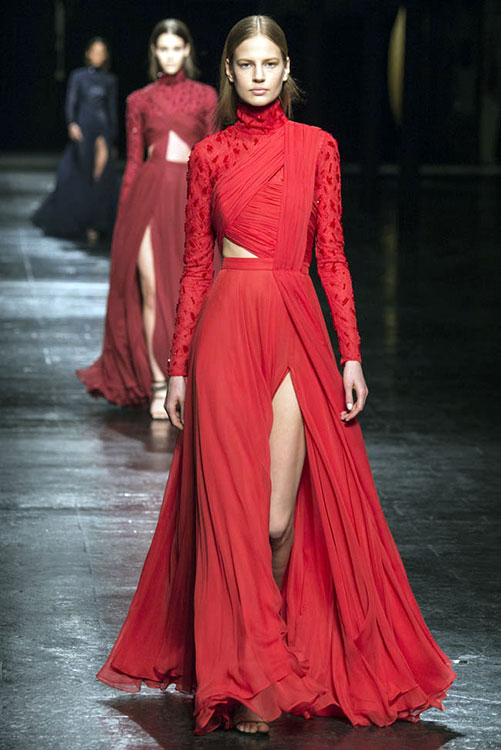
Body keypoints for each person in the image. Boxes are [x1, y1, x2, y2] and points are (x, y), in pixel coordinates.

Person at [96, 15, 456, 736]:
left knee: (275, 520)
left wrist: (350, 354)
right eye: (246, 64)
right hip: (227, 328)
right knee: (231, 516)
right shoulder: (210, 156)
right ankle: (248, 679)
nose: (258, 75)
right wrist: (177, 368)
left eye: (269, 63)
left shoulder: (317, 147)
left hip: (295, 323)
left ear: (285, 68)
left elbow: (332, 256)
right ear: (229, 73)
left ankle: (277, 648)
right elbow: (195, 267)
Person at [77, 19, 218, 418]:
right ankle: (159, 382)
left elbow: (212, 156)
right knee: (152, 289)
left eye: (176, 48)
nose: (170, 55)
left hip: (190, 196)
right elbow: (135, 161)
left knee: (191, 292)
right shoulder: (139, 99)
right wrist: (125, 216)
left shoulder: (207, 97)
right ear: (155, 52)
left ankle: (190, 379)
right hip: (148, 196)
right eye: (163, 48)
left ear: (187, 51)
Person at [32, 37, 119, 242]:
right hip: (84, 127)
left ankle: (96, 222)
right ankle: (81, 221)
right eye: (94, 51)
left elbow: (112, 109)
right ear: (88, 54)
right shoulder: (78, 76)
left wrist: (112, 137)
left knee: (101, 174)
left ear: (106, 56)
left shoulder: (110, 80)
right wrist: (71, 123)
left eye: (101, 52)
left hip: (102, 128)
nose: (97, 55)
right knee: (82, 172)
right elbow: (71, 101)